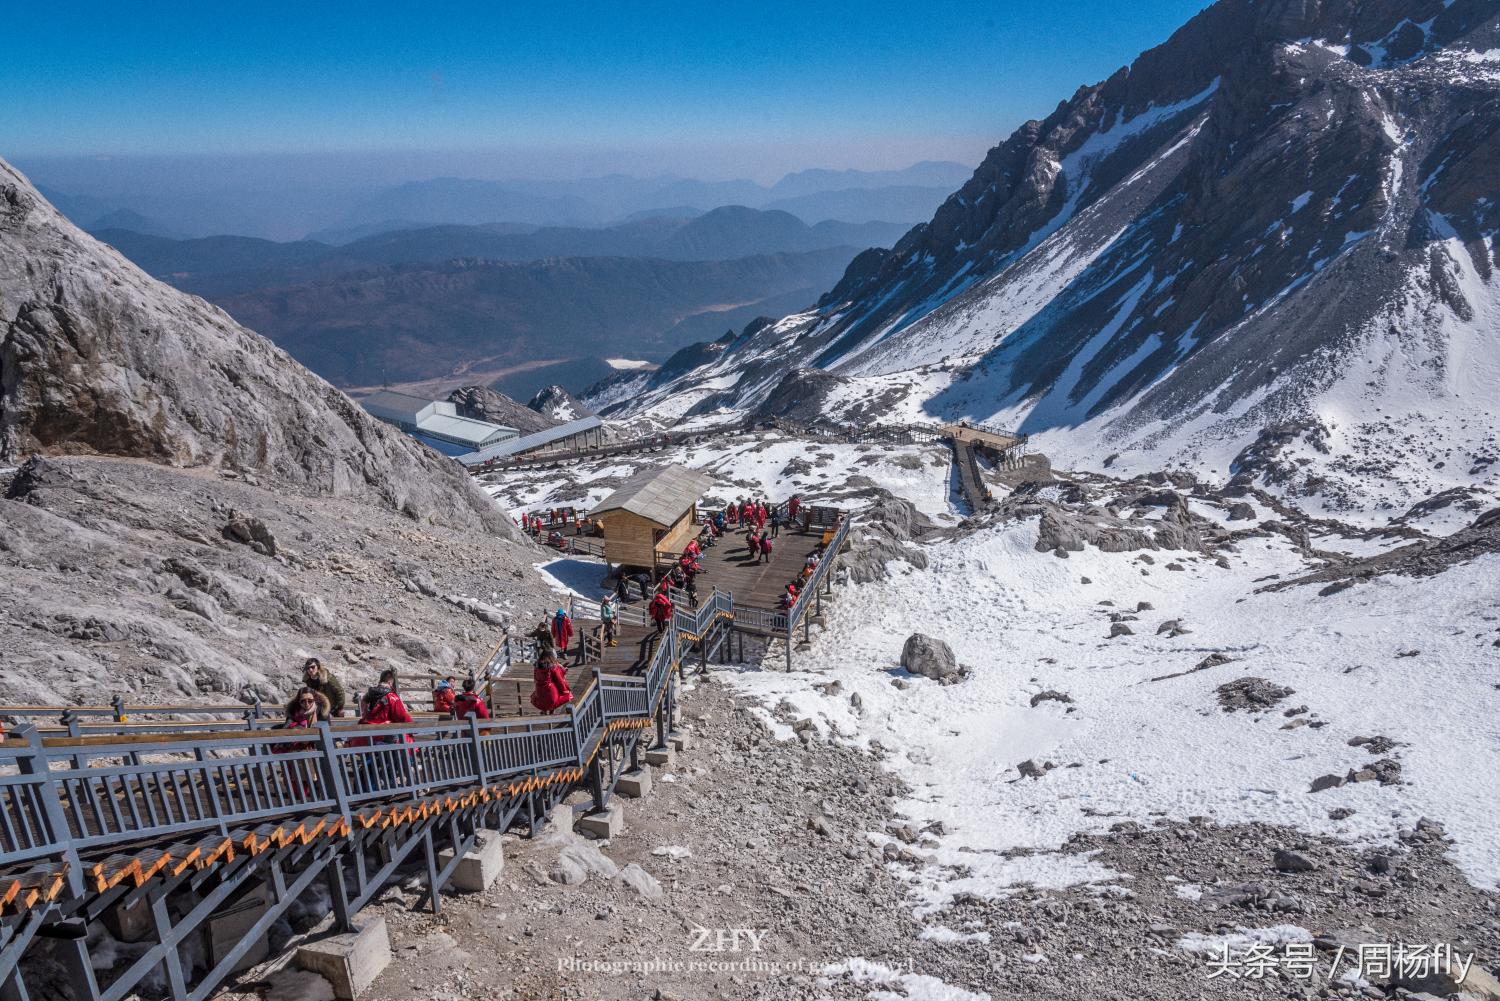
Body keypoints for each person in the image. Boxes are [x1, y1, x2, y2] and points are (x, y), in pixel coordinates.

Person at [354, 669, 414, 746]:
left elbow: (363, 713)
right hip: (383, 734)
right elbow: (401, 716)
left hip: (366, 734)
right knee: (408, 742)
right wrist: (412, 726)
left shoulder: (367, 695)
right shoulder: (391, 696)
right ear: (390, 683)